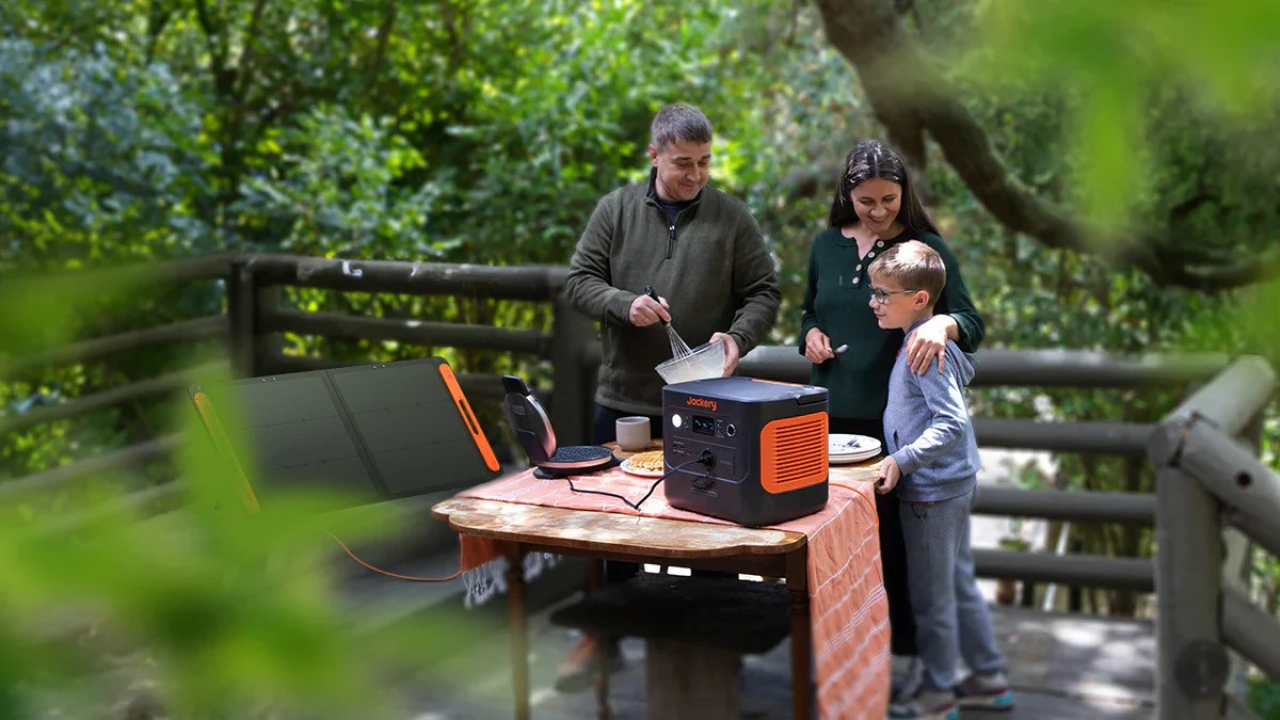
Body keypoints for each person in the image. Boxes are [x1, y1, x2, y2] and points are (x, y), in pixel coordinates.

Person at [557, 102, 782, 690]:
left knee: (713, 525)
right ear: (654, 155)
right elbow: (579, 281)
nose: (697, 175)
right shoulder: (615, 211)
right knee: (614, 530)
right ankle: (600, 639)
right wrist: (622, 304)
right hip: (624, 400)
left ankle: (714, 650)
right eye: (684, 163)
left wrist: (738, 339)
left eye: (705, 163)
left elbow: (763, 291)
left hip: (708, 403)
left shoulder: (731, 217)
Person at [799, 139, 985, 700]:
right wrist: (808, 333)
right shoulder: (825, 246)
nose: (878, 211)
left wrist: (941, 326)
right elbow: (809, 307)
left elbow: (970, 320)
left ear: (905, 194)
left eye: (888, 199)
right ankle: (836, 651)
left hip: (895, 430)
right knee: (829, 546)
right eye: (865, 200)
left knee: (894, 553)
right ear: (846, 195)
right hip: (828, 419)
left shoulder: (922, 249)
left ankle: (902, 662)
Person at [869, 241, 1012, 719]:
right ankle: (989, 677)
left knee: (932, 601)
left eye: (883, 294)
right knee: (958, 581)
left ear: (920, 300)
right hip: (953, 483)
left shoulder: (922, 347)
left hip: (931, 492)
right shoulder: (927, 340)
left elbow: (950, 424)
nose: (874, 302)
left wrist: (901, 460)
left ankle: (938, 695)